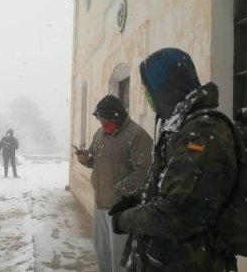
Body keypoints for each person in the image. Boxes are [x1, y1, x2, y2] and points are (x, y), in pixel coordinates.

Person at [109, 48, 237, 271]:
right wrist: (140, 199)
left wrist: (125, 220)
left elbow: (179, 213)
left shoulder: (201, 132)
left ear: (165, 88)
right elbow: (172, 187)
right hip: (167, 259)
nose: (146, 95)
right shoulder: (180, 126)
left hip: (191, 262)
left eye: (148, 88)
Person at [75, 95, 152, 272]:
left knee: (120, 260)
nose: (102, 125)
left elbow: (144, 171)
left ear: (117, 118)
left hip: (121, 208)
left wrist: (119, 189)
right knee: (102, 253)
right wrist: (86, 158)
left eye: (105, 121)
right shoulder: (100, 134)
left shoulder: (137, 135)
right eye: (100, 121)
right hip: (100, 204)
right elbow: (95, 159)